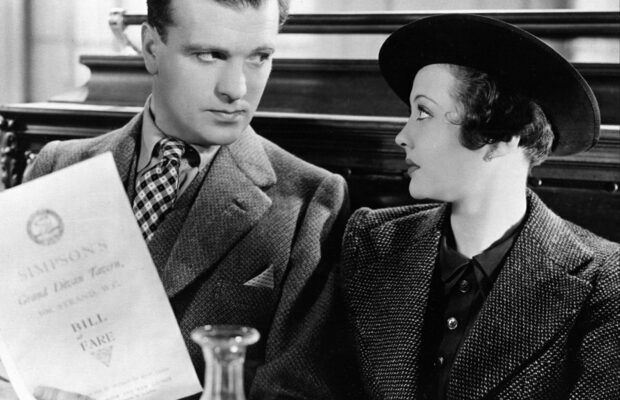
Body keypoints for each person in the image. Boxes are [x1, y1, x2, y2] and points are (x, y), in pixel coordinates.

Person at [21, 0, 352, 399]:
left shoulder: (312, 202)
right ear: (150, 48)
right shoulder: (57, 167)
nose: (236, 89)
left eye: (259, 57)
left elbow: (296, 392)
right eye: (209, 55)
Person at [340, 14, 620, 400]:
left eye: (424, 112)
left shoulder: (604, 282)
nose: (402, 136)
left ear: (502, 136)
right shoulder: (371, 241)